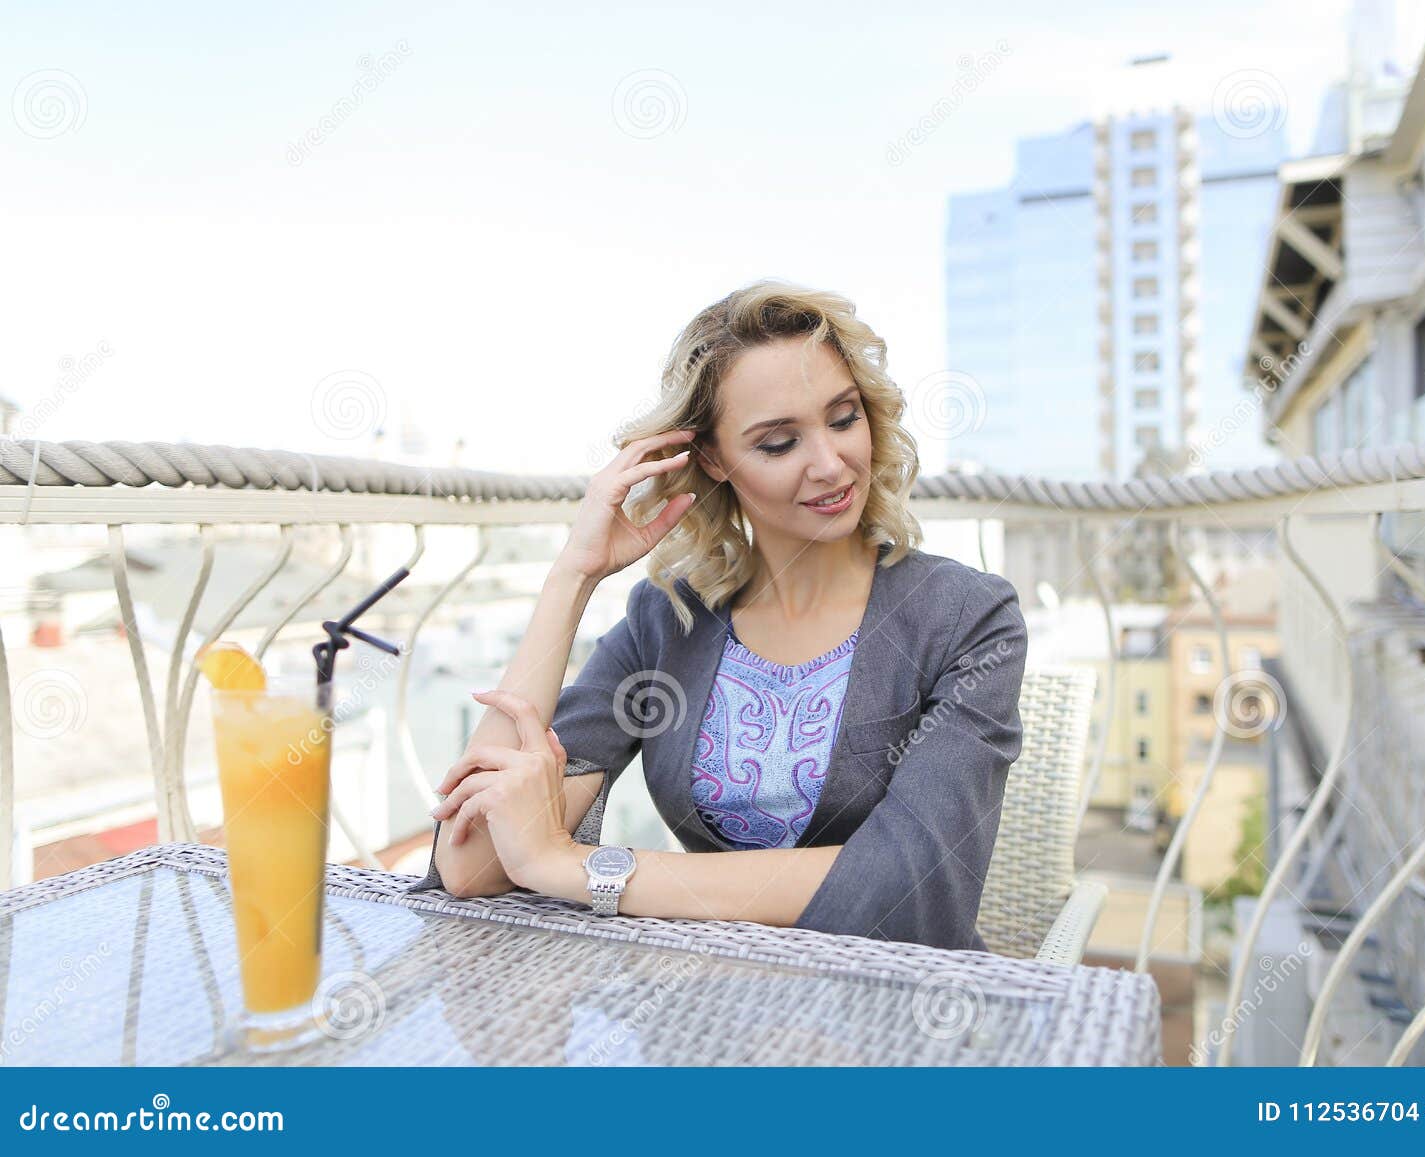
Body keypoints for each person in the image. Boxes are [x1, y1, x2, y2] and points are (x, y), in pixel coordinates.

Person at [412, 279, 1027, 951]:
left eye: (844, 417)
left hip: (901, 1018)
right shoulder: (668, 620)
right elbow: (469, 867)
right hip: (705, 1015)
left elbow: (912, 884)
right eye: (778, 442)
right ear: (712, 458)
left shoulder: (967, 618)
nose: (830, 463)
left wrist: (573, 866)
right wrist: (573, 576)